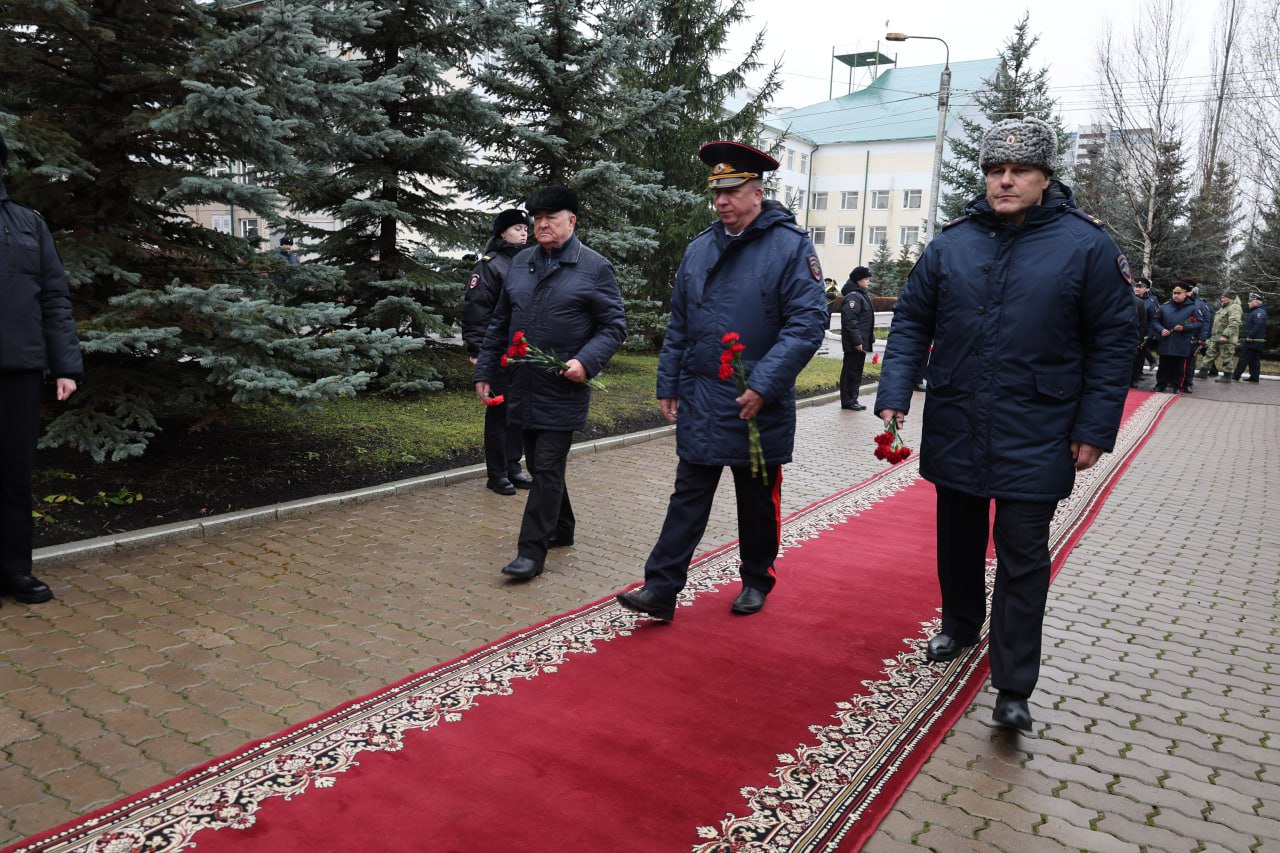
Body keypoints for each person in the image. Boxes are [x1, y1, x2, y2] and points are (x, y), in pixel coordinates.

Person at [873, 117, 1135, 732]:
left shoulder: (1087, 246)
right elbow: (912, 322)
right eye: (996, 170)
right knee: (958, 540)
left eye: (1019, 171)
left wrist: (1096, 428)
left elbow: (1114, 340)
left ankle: (1014, 684)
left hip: (1040, 427)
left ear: (1046, 177)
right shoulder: (952, 245)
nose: (1006, 181)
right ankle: (960, 625)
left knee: (1022, 555)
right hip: (958, 416)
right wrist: (894, 394)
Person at [615, 141, 827, 622]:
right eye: (717, 193)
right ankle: (661, 589)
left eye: (732, 191)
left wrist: (765, 383)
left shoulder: (791, 248)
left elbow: (808, 323)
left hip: (757, 402)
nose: (722, 202)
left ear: (757, 191)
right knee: (687, 495)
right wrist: (668, 383)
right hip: (702, 396)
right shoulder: (700, 249)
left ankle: (757, 578)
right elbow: (681, 325)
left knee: (755, 502)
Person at [473, 186, 625, 580]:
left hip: (562, 386)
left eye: (550, 218)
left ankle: (530, 553)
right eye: (536, 218)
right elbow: (500, 323)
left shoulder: (594, 268)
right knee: (544, 468)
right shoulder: (521, 263)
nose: (540, 224)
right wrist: (486, 370)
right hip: (521, 383)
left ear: (571, 221)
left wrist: (585, 362)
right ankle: (562, 527)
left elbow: (614, 326)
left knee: (547, 464)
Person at [0, 130, 84, 606]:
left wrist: (65, 366)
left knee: (15, 476)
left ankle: (15, 572)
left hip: (19, 370)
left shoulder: (29, 224)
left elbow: (54, 299)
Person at [462, 209, 532, 495]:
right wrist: (478, 352)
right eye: (517, 228)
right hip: (497, 351)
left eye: (526, 228)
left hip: (523, 352)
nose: (524, 232)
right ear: (502, 232)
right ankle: (497, 473)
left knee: (518, 413)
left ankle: (513, 467)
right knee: (499, 412)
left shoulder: (529, 261)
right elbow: (476, 311)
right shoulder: (489, 266)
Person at [1151, 281, 1201, 393]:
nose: (1176, 295)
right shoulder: (1165, 307)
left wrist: (1185, 328)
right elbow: (1155, 320)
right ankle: (1160, 384)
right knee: (1163, 365)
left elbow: (1199, 322)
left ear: (1185, 294)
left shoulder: (1192, 308)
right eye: (1174, 293)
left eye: (1179, 293)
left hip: (1182, 342)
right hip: (1166, 341)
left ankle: (1177, 386)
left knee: (1179, 367)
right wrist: (1161, 329)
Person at [839, 266, 874, 410]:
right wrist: (857, 341)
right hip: (854, 344)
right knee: (850, 372)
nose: (868, 282)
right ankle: (848, 400)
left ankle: (853, 399)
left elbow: (864, 320)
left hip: (860, 342)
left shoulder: (861, 295)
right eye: (866, 279)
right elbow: (850, 321)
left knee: (856, 371)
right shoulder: (853, 296)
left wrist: (869, 337)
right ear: (858, 280)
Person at [1200, 289, 1242, 382]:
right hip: (1216, 338)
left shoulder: (1234, 307)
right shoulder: (1224, 307)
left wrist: (1226, 335)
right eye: (1222, 297)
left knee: (1227, 357)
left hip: (1226, 339)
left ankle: (1227, 376)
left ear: (1230, 298)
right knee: (1209, 355)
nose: (1222, 299)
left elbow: (1234, 322)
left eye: (1224, 297)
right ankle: (1202, 373)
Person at [1232, 292, 1268, 383]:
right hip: (1255, 342)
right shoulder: (1258, 312)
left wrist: (1249, 336)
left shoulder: (1258, 312)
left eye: (1250, 301)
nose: (1248, 303)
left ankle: (1235, 376)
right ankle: (1254, 377)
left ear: (1255, 302)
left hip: (1252, 341)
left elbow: (1257, 325)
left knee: (1243, 358)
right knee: (1254, 360)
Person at [1129, 281, 1150, 388]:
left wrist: (1139, 339)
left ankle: (1132, 379)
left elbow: (1143, 324)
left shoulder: (1139, 303)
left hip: (1132, 336)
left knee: (1134, 360)